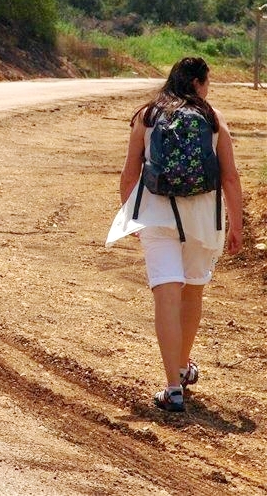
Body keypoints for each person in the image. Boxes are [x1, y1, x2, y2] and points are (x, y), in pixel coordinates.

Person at [107, 57, 243, 412]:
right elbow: (230, 176)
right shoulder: (212, 118)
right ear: (198, 82)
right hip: (203, 218)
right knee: (192, 290)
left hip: (157, 213)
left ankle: (173, 388)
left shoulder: (147, 116)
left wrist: (131, 218)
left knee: (166, 295)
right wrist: (237, 226)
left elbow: (128, 175)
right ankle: (184, 366)